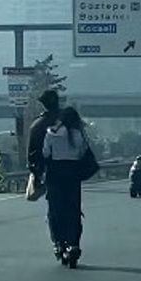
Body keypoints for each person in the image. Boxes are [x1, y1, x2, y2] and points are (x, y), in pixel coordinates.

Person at [42, 106, 89, 262]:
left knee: (55, 210)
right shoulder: (78, 135)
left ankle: (58, 242)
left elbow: (45, 153)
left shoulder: (52, 133)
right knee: (74, 209)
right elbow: (83, 154)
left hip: (55, 175)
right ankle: (74, 242)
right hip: (73, 175)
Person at [26, 89, 61, 186]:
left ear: (43, 104)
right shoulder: (71, 122)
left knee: (55, 199)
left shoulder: (37, 125)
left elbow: (32, 153)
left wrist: (36, 173)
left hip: (50, 171)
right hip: (72, 171)